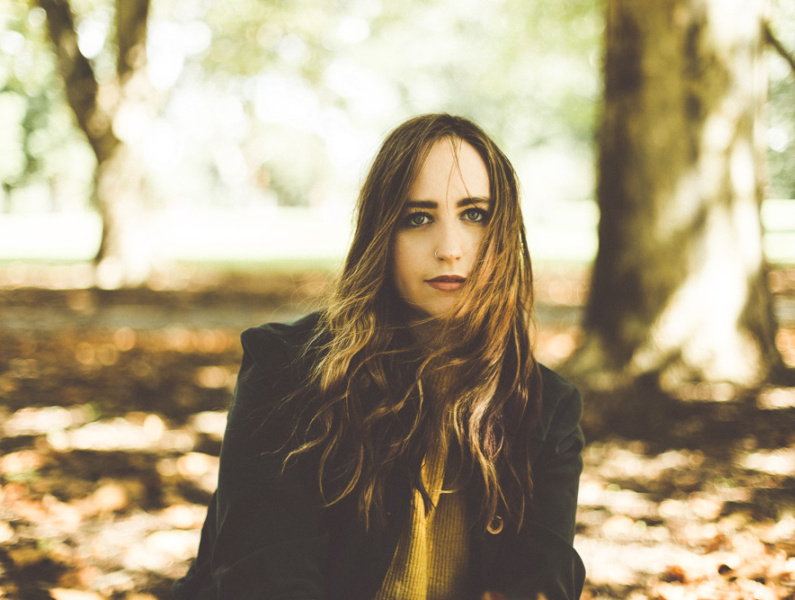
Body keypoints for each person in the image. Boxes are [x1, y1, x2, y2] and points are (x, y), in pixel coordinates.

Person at [174, 114, 585, 600]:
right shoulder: (288, 372)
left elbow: (541, 583)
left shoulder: (544, 409)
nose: (449, 249)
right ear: (381, 235)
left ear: (504, 232)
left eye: (474, 214)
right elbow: (265, 578)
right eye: (418, 218)